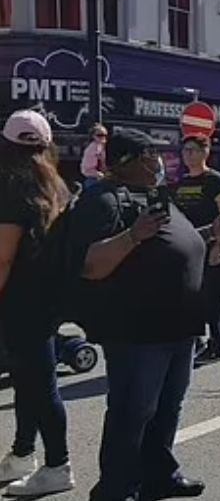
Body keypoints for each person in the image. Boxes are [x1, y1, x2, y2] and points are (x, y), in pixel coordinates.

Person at [70, 128, 220, 501]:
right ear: (132, 161)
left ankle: (160, 475)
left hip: (180, 326)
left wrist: (208, 235)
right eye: (152, 155)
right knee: (133, 410)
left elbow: (173, 242)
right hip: (138, 331)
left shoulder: (156, 195)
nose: (159, 162)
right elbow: (89, 264)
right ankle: (116, 487)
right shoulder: (102, 201)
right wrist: (132, 236)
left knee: (168, 406)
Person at [0, 111, 75, 496]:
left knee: (39, 385)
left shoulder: (13, 185)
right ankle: (23, 453)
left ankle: (57, 464)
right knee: (29, 381)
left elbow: (3, 256)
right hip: (46, 296)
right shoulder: (55, 185)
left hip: (19, 300)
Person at [172, 135, 220, 365]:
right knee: (189, 296)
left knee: (211, 297)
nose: (188, 155)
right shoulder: (180, 182)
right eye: (185, 150)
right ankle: (193, 340)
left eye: (193, 150)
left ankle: (216, 344)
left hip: (209, 245)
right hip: (185, 247)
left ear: (205, 152)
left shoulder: (216, 181)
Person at [80, 123, 108, 188]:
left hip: (100, 173)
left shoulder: (101, 146)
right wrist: (100, 174)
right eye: (100, 135)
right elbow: (86, 169)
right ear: (93, 136)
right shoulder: (92, 149)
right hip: (91, 175)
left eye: (105, 135)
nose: (103, 137)